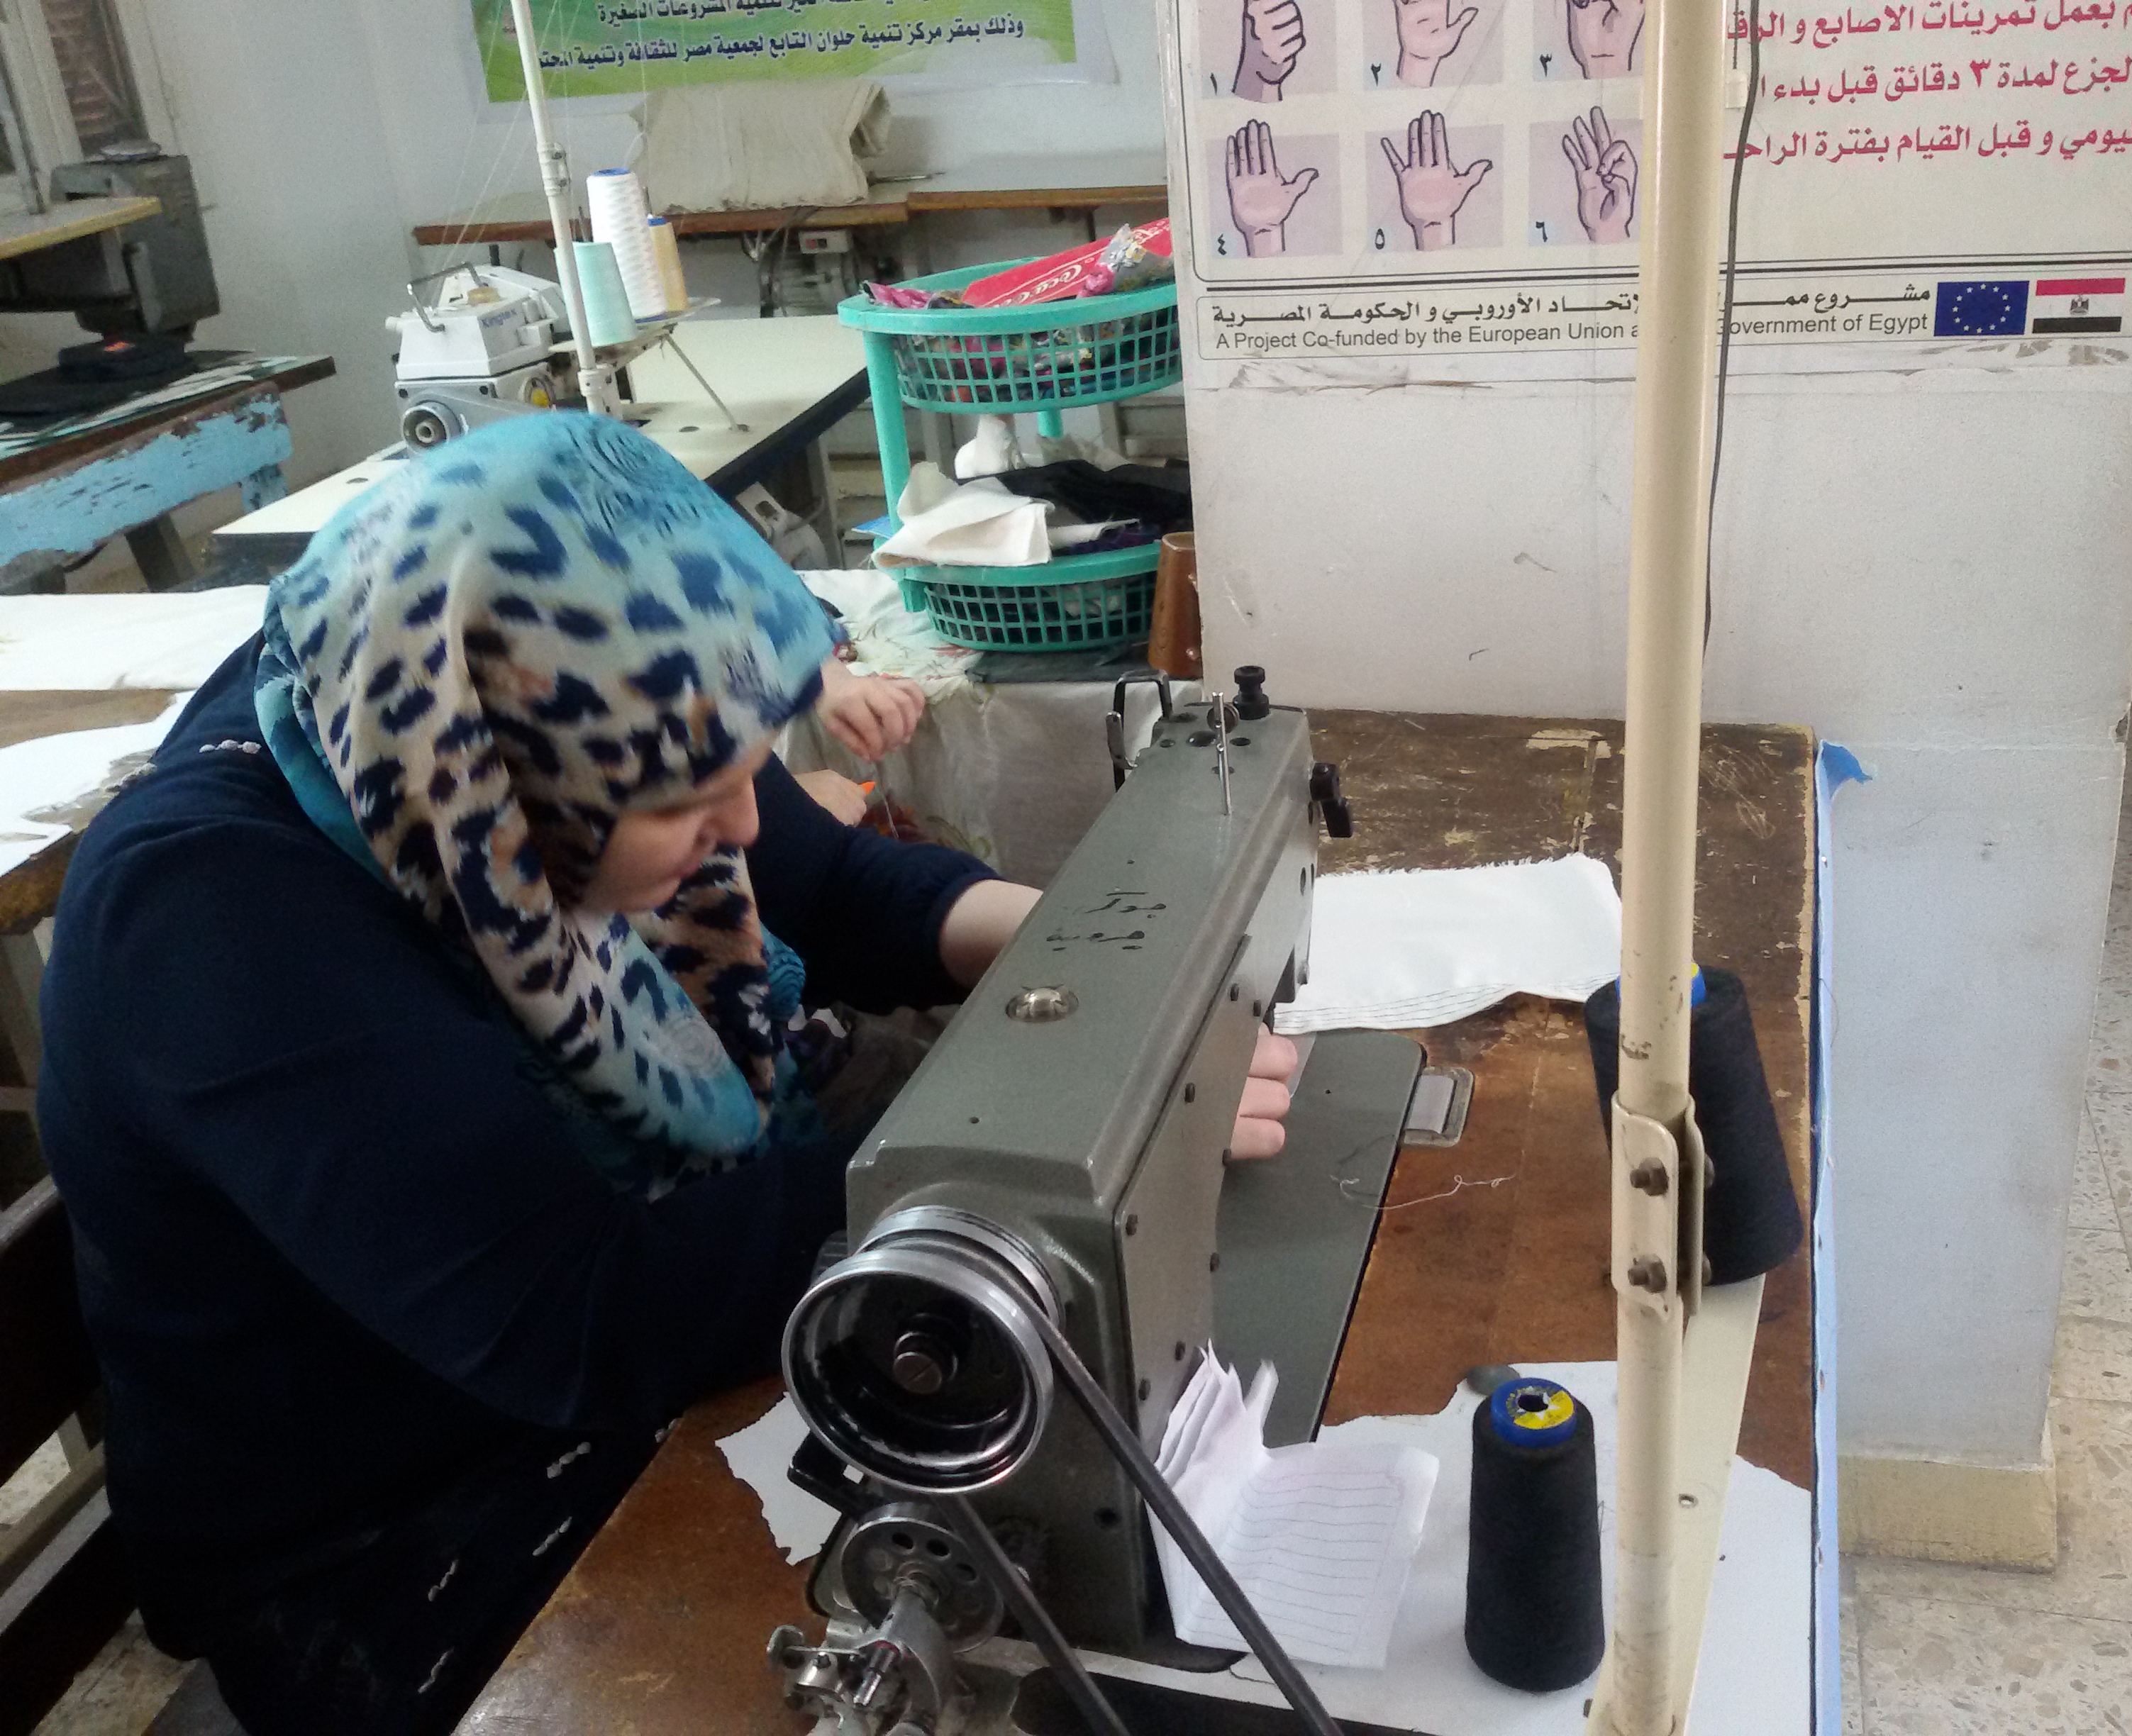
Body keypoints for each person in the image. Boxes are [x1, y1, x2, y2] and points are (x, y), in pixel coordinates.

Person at [35, 414, 1294, 1734]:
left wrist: (1107, 967)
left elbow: (831, 879)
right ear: (500, 791)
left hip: (595, 1333)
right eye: (689, 799)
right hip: (392, 1528)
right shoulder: (215, 927)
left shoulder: (546, 711)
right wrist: (1068, 1140)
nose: (740, 826)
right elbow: (584, 1317)